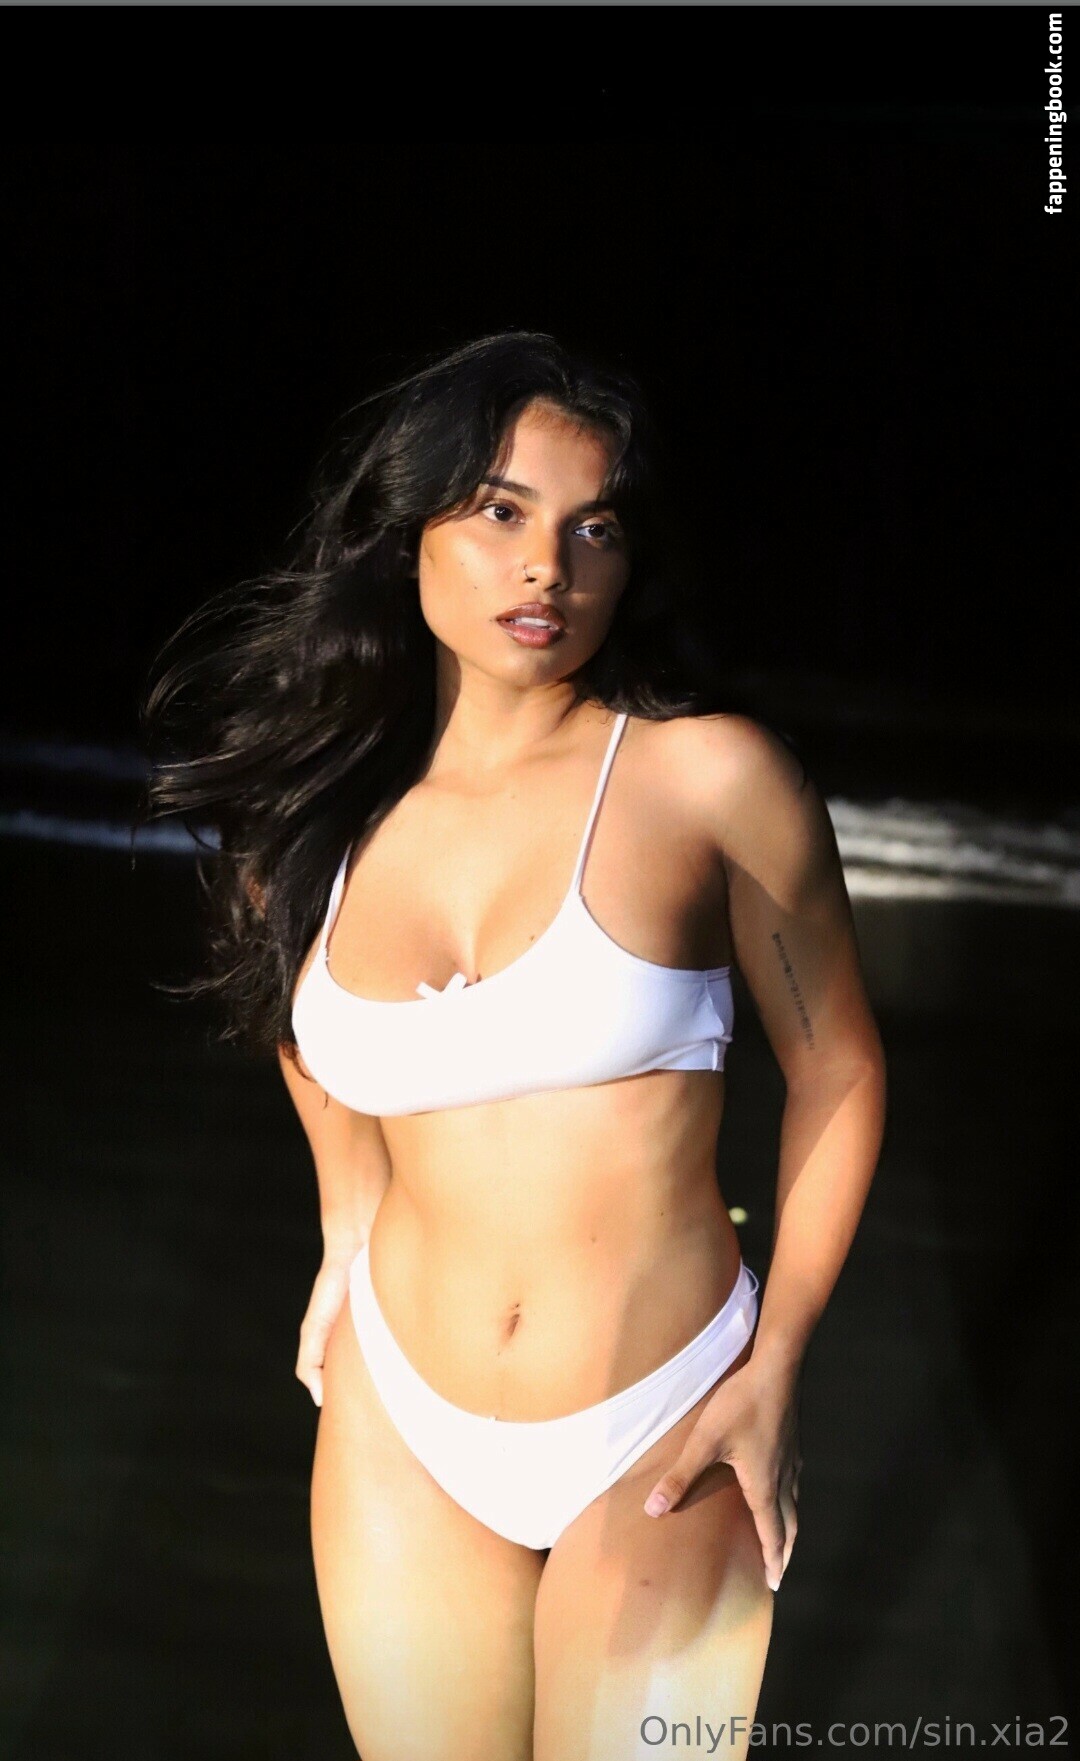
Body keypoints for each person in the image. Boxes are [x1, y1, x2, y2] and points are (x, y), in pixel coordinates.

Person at [143, 332, 887, 1761]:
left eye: (592, 527)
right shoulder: (310, 825)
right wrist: (346, 1218)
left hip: (670, 1417)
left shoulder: (707, 780)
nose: (547, 566)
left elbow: (841, 1067)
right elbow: (301, 1027)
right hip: (401, 1417)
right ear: (406, 525)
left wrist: (780, 1358)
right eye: (501, 510)